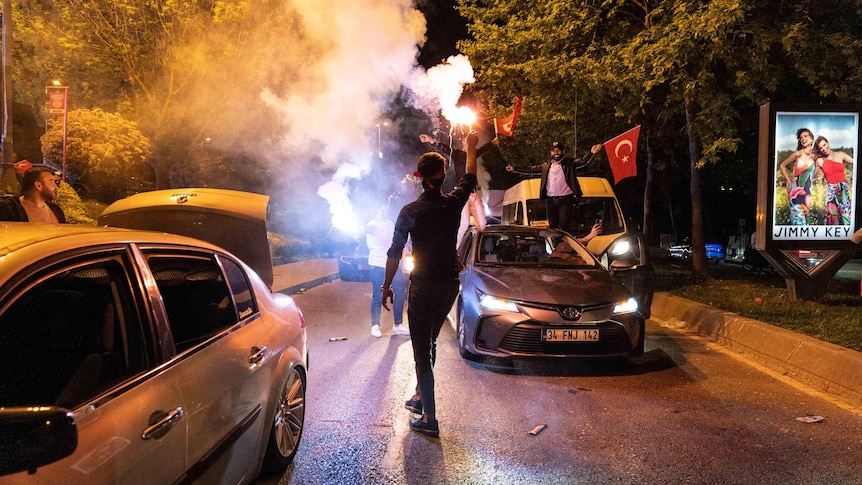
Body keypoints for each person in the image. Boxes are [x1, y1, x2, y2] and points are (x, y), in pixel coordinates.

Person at [381, 131, 479, 439]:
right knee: (431, 342)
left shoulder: (410, 212)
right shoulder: (452, 205)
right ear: (442, 175)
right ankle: (421, 395)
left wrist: (386, 286)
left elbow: (395, 252)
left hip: (423, 288)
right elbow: (470, 179)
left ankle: (429, 418)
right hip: (449, 285)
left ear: (420, 178)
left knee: (422, 352)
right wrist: (470, 148)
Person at [506, 140, 603, 233]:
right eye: (554, 150)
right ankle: (556, 247)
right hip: (551, 200)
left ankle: (565, 246)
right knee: (553, 226)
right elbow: (530, 170)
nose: (556, 152)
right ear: (551, 153)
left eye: (558, 150)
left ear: (563, 151)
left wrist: (591, 152)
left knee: (564, 225)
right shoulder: (546, 166)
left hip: (565, 200)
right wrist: (515, 168)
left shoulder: (569, 163)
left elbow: (582, 162)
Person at [420, 133, 492, 248]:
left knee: (482, 224)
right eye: (466, 140)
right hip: (462, 193)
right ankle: (455, 250)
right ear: (463, 142)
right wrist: (430, 140)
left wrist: (493, 142)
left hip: (473, 193)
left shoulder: (472, 153)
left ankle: (476, 248)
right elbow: (445, 148)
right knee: (464, 223)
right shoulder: (457, 154)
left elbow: (484, 149)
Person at [366, 205, 409, 337]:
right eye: (381, 208)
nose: (384, 210)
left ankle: (398, 325)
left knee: (400, 292)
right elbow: (374, 232)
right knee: (378, 295)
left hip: (393, 264)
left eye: (385, 208)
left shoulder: (390, 223)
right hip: (377, 264)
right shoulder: (372, 224)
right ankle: (375, 325)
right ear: (376, 210)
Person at [778, 128, 817, 226]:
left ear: (812, 139)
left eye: (805, 136)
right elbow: (782, 165)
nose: (803, 139)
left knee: (805, 218)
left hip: (807, 192)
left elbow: (815, 171)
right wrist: (789, 180)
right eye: (801, 138)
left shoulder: (816, 155)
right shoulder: (798, 154)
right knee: (798, 221)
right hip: (795, 191)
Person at [812, 135, 854, 225]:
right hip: (832, 191)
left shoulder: (841, 154)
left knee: (847, 215)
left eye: (824, 145)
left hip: (843, 189)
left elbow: (856, 162)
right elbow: (811, 175)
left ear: (828, 143)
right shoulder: (820, 161)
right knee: (832, 217)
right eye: (820, 148)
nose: (823, 148)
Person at [0, 167, 66, 223]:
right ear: (38, 186)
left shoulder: (56, 211)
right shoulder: (10, 210)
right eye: (51, 182)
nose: (55, 186)